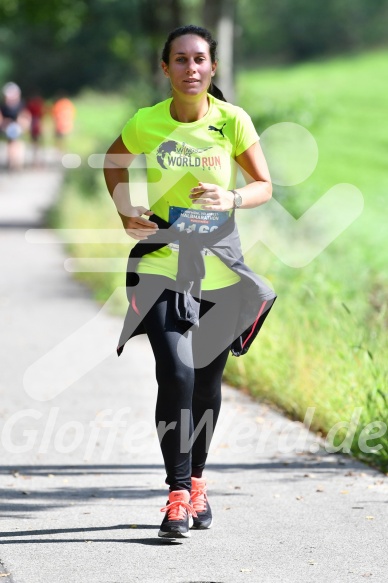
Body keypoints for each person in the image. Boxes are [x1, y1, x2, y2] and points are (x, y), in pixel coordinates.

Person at [104, 24, 276, 539]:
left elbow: (264, 185)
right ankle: (177, 495)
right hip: (160, 260)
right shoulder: (146, 122)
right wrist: (125, 210)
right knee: (175, 372)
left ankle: (197, 482)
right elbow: (114, 162)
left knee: (204, 382)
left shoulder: (232, 122)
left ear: (212, 67)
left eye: (199, 59)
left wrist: (232, 198)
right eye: (180, 60)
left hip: (218, 267)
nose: (191, 68)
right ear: (166, 69)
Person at [0, 82, 31, 170]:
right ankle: (11, 162)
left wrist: (23, 123)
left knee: (18, 143)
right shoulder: (3, 106)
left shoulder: (21, 105)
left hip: (18, 127)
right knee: (11, 143)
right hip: (8, 127)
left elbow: (26, 116)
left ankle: (17, 162)